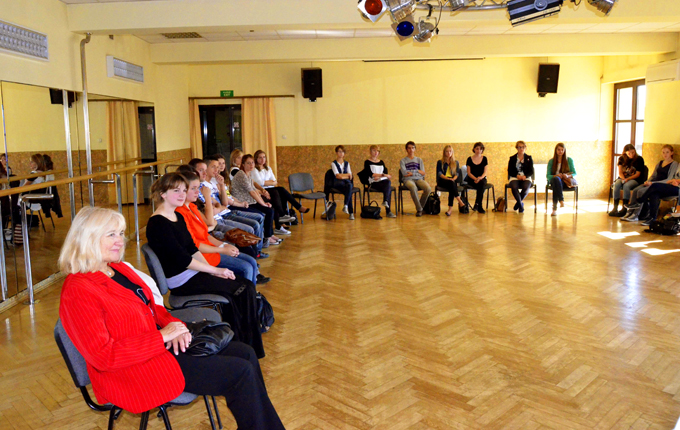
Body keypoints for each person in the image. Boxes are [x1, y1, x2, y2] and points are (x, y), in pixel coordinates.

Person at [58, 206, 285, 429]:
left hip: (158, 348)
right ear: (88, 239)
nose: (120, 240)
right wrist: (162, 337)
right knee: (240, 373)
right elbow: (104, 356)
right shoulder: (79, 289)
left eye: (121, 233)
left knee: (245, 352)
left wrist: (175, 326)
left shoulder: (117, 269)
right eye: (111, 235)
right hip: (133, 370)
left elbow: (153, 309)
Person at [146, 173, 265, 358]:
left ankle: (241, 343)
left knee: (245, 286)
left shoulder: (176, 217)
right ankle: (245, 346)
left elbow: (192, 250)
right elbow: (183, 260)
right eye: (176, 191)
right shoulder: (157, 223)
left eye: (183, 190)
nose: (182, 194)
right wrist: (215, 270)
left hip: (193, 273)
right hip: (182, 281)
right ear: (163, 194)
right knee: (243, 289)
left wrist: (214, 272)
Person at [176, 171, 269, 285]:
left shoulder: (192, 206)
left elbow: (206, 232)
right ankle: (247, 293)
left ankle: (251, 291)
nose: (197, 191)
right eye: (193, 188)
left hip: (211, 246)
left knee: (251, 261)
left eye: (198, 188)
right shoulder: (180, 213)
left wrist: (223, 245)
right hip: (204, 255)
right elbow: (196, 244)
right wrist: (222, 249)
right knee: (247, 267)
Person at [231, 155, 279, 245]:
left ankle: (270, 234)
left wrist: (264, 202)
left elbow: (255, 191)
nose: (251, 165)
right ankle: (266, 237)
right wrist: (263, 204)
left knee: (270, 209)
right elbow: (252, 192)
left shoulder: (248, 174)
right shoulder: (241, 174)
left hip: (249, 202)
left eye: (252, 162)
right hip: (242, 203)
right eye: (248, 163)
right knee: (267, 211)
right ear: (243, 164)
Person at [622, 145, 678, 222]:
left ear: (672, 153)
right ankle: (629, 212)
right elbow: (653, 175)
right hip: (652, 183)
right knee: (635, 190)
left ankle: (635, 215)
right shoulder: (660, 163)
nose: (665, 154)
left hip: (660, 184)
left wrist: (652, 183)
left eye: (667, 152)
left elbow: (669, 179)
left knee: (641, 191)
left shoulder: (674, 164)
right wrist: (647, 181)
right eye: (663, 152)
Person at [253, 149, 309, 225]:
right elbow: (259, 183)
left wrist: (267, 182)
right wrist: (270, 182)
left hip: (271, 188)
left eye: (264, 157)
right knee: (277, 192)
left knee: (282, 191)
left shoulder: (268, 168)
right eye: (260, 157)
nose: (263, 159)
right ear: (256, 159)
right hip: (262, 190)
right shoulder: (254, 169)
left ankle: (283, 219)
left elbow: (275, 181)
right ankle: (285, 214)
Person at [609, 144, 646, 217]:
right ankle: (615, 208)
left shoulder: (639, 159)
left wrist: (627, 179)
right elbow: (620, 172)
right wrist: (623, 178)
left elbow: (637, 174)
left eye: (633, 152)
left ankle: (624, 208)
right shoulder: (621, 158)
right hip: (623, 177)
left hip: (634, 179)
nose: (631, 154)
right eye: (629, 153)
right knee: (617, 184)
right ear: (625, 152)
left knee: (626, 186)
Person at [362, 145, 396, 218]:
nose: (376, 152)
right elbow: (370, 174)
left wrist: (382, 176)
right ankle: (388, 210)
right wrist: (381, 175)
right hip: (373, 182)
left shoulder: (381, 162)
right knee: (388, 188)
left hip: (381, 181)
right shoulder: (367, 162)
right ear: (370, 152)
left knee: (388, 183)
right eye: (374, 150)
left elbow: (385, 172)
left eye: (377, 151)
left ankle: (386, 202)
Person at [400, 141, 431, 217]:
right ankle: (420, 209)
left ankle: (420, 207)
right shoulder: (403, 161)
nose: (411, 150)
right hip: (408, 179)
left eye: (412, 148)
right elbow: (404, 173)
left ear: (415, 149)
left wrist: (413, 172)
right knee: (413, 187)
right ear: (406, 149)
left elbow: (423, 173)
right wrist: (418, 171)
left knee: (428, 188)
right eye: (409, 148)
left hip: (419, 179)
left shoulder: (419, 160)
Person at [547, 143, 577, 216]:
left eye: (562, 150)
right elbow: (548, 176)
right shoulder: (551, 161)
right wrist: (556, 175)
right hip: (554, 181)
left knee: (556, 185)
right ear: (556, 150)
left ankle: (554, 209)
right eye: (558, 149)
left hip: (565, 182)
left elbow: (575, 173)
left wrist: (567, 175)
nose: (560, 151)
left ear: (564, 151)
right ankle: (561, 200)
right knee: (556, 180)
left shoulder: (569, 160)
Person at [436, 145, 467, 216]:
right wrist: (448, 178)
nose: (448, 153)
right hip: (443, 180)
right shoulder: (440, 162)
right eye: (447, 151)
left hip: (452, 181)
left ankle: (450, 210)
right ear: (444, 152)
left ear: (452, 152)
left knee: (452, 187)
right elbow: (439, 173)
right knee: (452, 184)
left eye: (450, 151)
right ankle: (460, 201)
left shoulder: (456, 162)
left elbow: (457, 173)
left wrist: (453, 179)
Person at [507, 141, 534, 213]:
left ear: (525, 148)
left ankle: (518, 203)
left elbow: (531, 171)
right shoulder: (512, 158)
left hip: (526, 177)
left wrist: (525, 176)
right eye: (519, 147)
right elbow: (510, 171)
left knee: (526, 187)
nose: (521, 149)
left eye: (523, 147)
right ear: (516, 148)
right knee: (514, 186)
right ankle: (521, 206)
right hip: (515, 176)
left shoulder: (529, 158)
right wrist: (517, 176)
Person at [330, 145, 355, 220]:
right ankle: (350, 212)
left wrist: (343, 176)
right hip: (338, 184)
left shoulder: (347, 163)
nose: (341, 153)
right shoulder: (333, 163)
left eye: (343, 152)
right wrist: (346, 175)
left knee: (349, 187)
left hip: (346, 184)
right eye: (340, 151)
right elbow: (338, 176)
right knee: (349, 190)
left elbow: (350, 176)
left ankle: (346, 206)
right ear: (336, 153)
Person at [465, 142, 489, 214]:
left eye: (480, 149)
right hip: (472, 179)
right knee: (481, 186)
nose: (479, 150)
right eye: (477, 149)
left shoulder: (484, 159)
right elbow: (469, 173)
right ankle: (479, 205)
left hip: (481, 179)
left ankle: (477, 204)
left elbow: (485, 172)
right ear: (474, 149)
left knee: (481, 184)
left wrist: (480, 178)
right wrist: (475, 179)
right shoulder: (469, 159)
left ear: (482, 150)